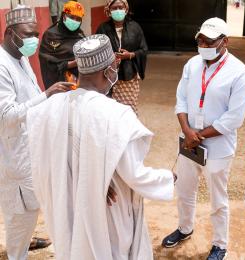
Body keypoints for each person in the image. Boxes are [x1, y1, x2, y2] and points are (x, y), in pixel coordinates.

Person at [26, 34, 175, 260]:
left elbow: (43, 150)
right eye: (114, 66)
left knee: (73, 246)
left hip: (65, 198)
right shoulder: (116, 115)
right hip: (105, 210)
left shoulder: (50, 106)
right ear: (107, 71)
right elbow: (134, 175)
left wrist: (83, 179)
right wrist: (167, 178)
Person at [162, 18, 245, 260]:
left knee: (218, 198)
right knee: (184, 189)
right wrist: (188, 131)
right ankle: (184, 228)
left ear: (225, 42)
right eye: (200, 39)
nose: (203, 44)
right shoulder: (192, 65)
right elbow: (181, 99)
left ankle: (220, 244)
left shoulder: (240, 73)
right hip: (189, 141)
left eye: (209, 41)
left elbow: (233, 118)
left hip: (218, 145)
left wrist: (199, 135)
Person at [0, 5, 71, 260]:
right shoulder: (2, 65)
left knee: (30, 207)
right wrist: (47, 95)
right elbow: (6, 115)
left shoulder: (20, 58)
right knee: (20, 212)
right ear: (10, 33)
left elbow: (30, 98)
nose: (33, 39)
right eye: (27, 34)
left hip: (30, 149)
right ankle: (18, 253)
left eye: (35, 33)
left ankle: (24, 240)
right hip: (15, 157)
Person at [96, 0, 148, 115]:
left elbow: (143, 50)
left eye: (120, 7)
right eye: (114, 8)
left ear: (126, 9)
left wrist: (130, 55)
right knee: (111, 112)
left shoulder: (135, 27)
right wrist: (110, 57)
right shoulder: (103, 28)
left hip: (129, 77)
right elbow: (97, 51)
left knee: (128, 111)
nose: (118, 10)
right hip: (108, 77)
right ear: (109, 10)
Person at [39, 1, 85, 90]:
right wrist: (71, 64)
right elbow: (47, 63)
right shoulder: (51, 35)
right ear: (64, 16)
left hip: (80, 85)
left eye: (78, 19)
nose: (75, 21)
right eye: (72, 17)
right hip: (60, 86)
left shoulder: (80, 35)